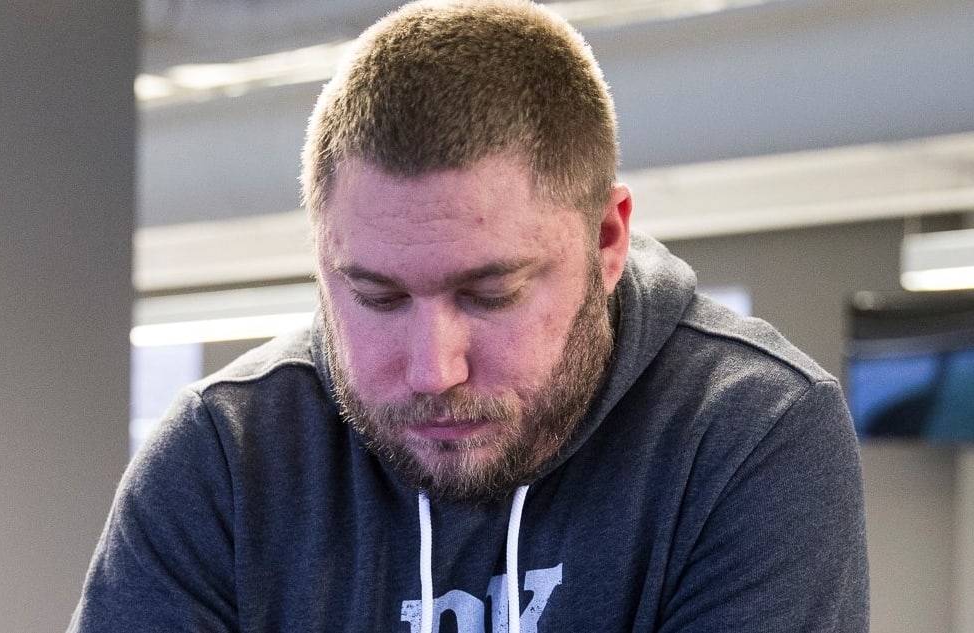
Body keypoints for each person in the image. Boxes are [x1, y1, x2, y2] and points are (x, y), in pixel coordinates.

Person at [68, 1, 869, 631]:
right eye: (378, 298)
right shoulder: (223, 457)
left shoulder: (745, 428)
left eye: (489, 295)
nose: (432, 368)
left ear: (606, 238)